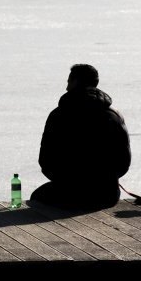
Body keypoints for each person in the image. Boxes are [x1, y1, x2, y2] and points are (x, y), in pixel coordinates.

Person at [29, 63, 131, 211]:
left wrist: (66, 182)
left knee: (37, 198)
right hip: (106, 195)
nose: (66, 88)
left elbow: (46, 161)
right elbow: (123, 162)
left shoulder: (58, 115)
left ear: (75, 82)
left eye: (68, 82)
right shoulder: (114, 115)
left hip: (68, 193)